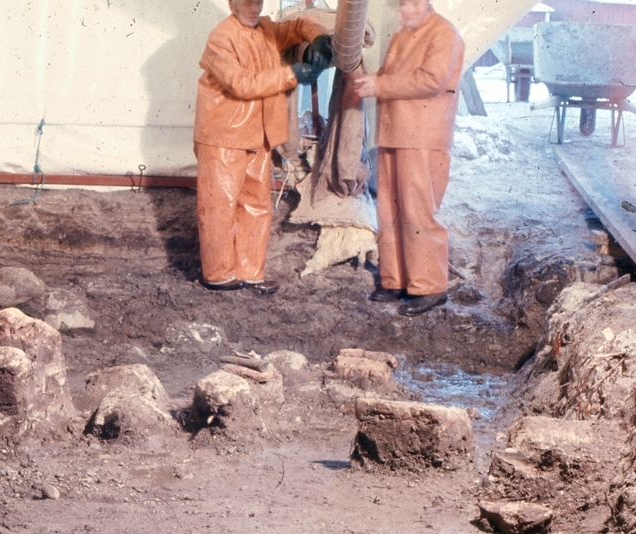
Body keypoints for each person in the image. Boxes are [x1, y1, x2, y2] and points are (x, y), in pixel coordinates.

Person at [194, 0, 331, 294]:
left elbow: (299, 24)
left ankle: (250, 272)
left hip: (258, 134)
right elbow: (241, 84)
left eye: (258, 1)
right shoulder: (222, 37)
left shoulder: (267, 30)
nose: (254, 7)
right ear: (232, 3)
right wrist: (291, 74)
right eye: (247, 2)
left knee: (257, 204)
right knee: (220, 206)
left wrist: (319, 37)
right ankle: (218, 273)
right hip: (222, 135)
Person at [351, 0, 464, 316]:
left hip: (422, 138)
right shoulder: (402, 34)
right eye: (402, 4)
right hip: (394, 133)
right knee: (389, 209)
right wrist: (367, 80)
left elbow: (431, 81)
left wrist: (379, 84)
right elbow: (390, 77)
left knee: (417, 211)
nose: (406, 10)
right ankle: (396, 280)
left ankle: (430, 286)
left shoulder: (444, 33)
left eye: (413, 3)